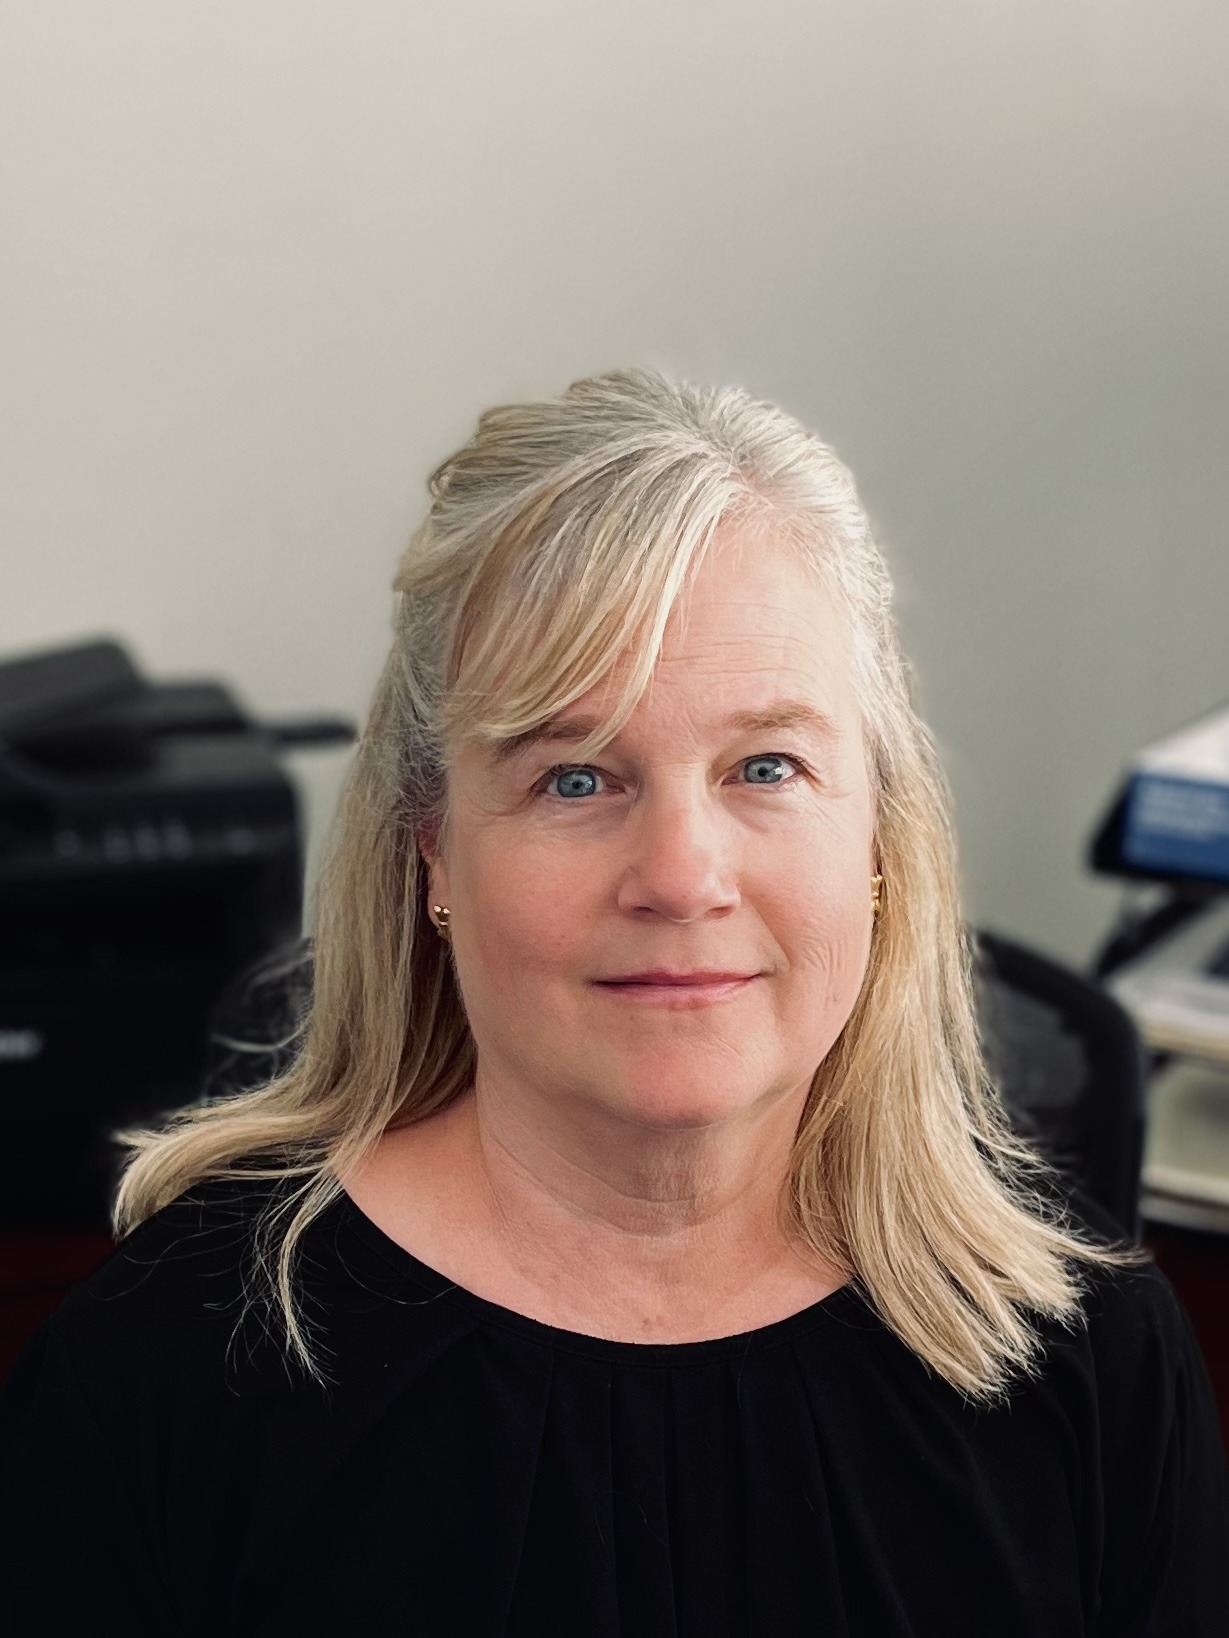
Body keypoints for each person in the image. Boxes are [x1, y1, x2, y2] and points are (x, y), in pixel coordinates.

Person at [2, 368, 1226, 1636]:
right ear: (432, 849)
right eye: (575, 778)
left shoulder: (1087, 1358)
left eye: (766, 765)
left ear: (877, 837)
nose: (681, 876)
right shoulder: (164, 1377)